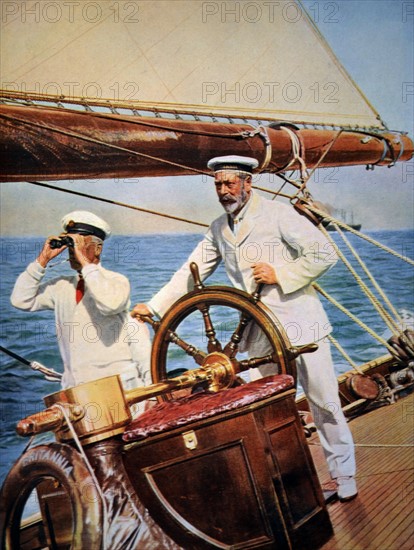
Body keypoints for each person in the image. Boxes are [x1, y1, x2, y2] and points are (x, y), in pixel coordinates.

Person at [132, 155, 357, 502]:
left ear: (248, 182)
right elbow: (189, 271)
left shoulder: (279, 213)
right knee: (270, 408)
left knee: (324, 401)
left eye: (230, 183)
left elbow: (324, 253)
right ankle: (289, 482)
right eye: (218, 184)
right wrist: (155, 306)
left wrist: (281, 274)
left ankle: (345, 477)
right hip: (261, 335)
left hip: (301, 325)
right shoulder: (218, 228)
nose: (223, 190)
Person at [11, 210, 151, 396]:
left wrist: (86, 264)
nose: (73, 253)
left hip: (120, 390)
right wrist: (42, 261)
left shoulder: (117, 281)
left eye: (79, 246)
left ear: (98, 249)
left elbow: (109, 304)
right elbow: (21, 300)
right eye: (70, 247)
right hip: (78, 391)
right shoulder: (61, 286)